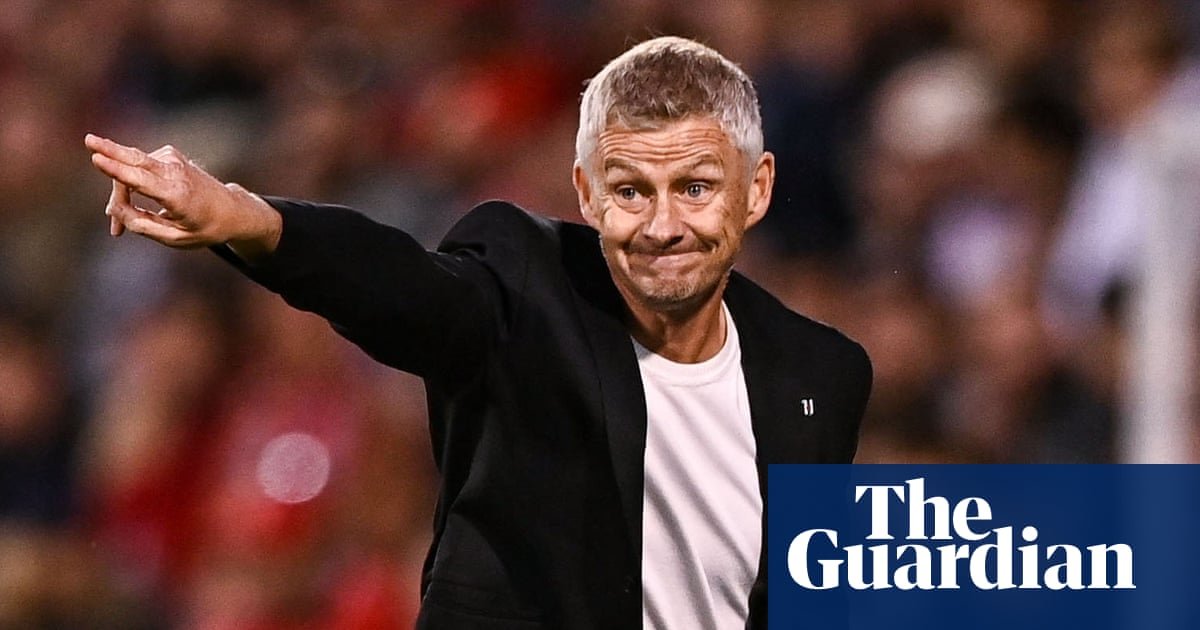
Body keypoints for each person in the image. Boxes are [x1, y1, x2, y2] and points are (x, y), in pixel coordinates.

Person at [87, 36, 871, 630]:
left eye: (695, 187)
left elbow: (801, 598)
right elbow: (406, 288)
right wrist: (252, 221)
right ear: (587, 195)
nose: (663, 224)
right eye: (632, 190)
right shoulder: (525, 287)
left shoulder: (822, 373)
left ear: (756, 189)